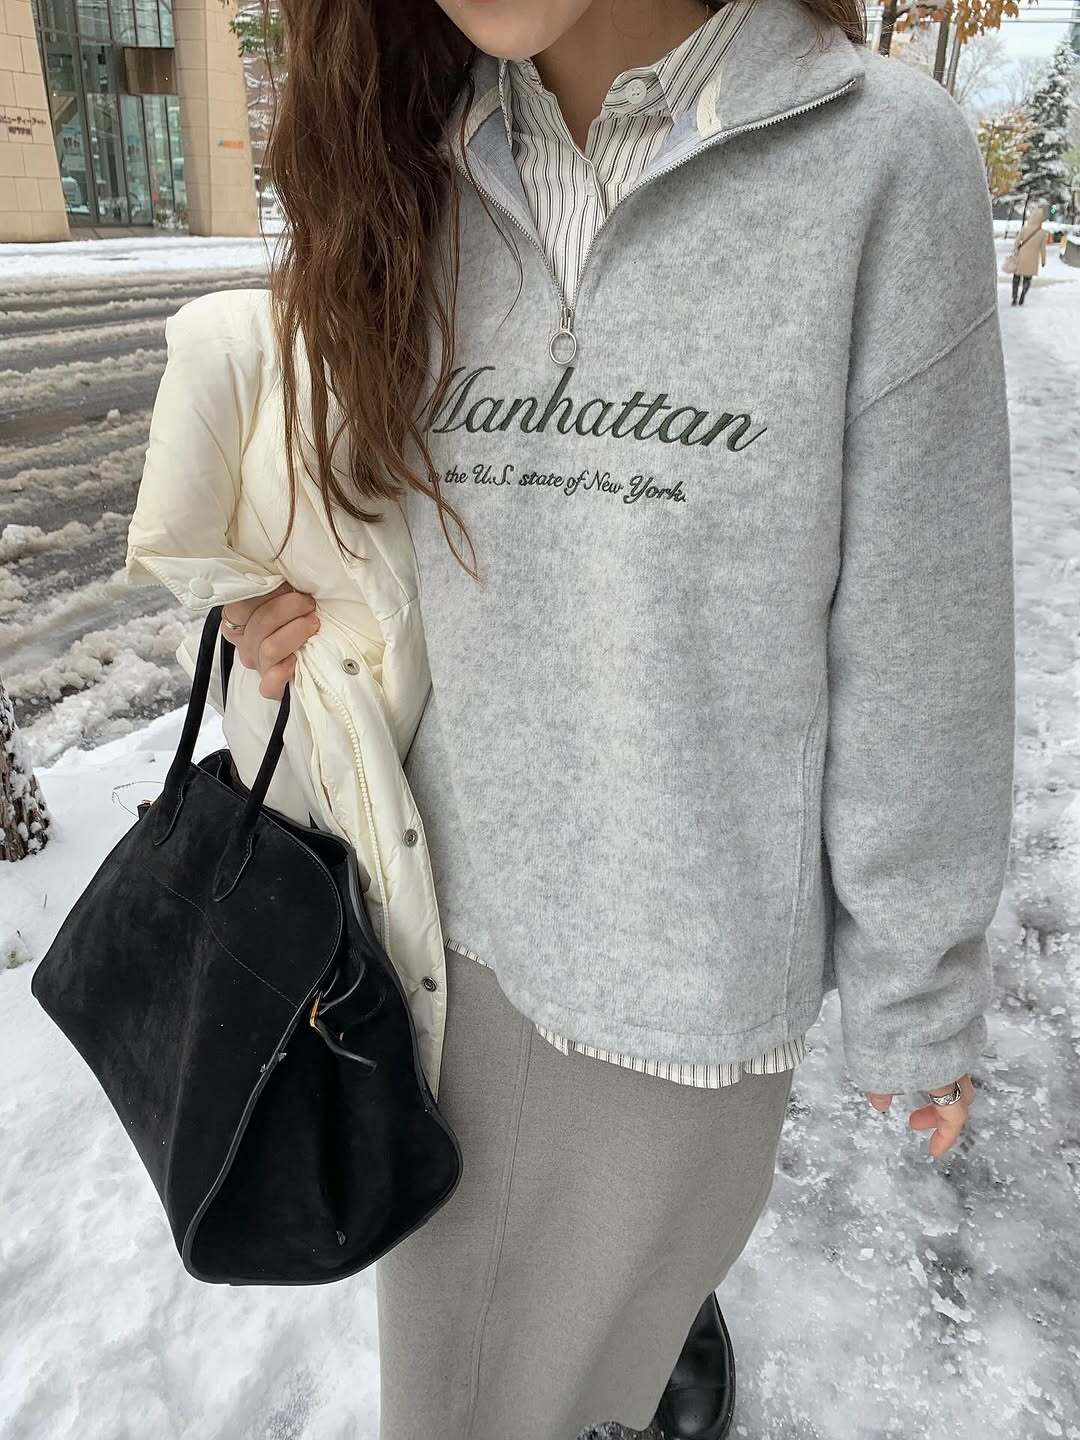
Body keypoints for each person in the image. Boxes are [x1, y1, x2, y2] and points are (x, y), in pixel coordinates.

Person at [124, 0, 1016, 1437]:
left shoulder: (878, 158)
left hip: (688, 982)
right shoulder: (409, 164)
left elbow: (924, 627)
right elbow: (371, 540)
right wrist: (279, 606)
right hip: (430, 947)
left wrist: (920, 982)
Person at [1011, 201, 1048, 304]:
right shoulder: (1042, 233)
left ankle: (1014, 297)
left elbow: (1016, 242)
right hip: (1033, 260)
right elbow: (1043, 249)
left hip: (1021, 257)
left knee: (1016, 278)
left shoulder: (1024, 229)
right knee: (1027, 279)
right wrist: (1043, 261)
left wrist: (1015, 250)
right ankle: (1023, 294)